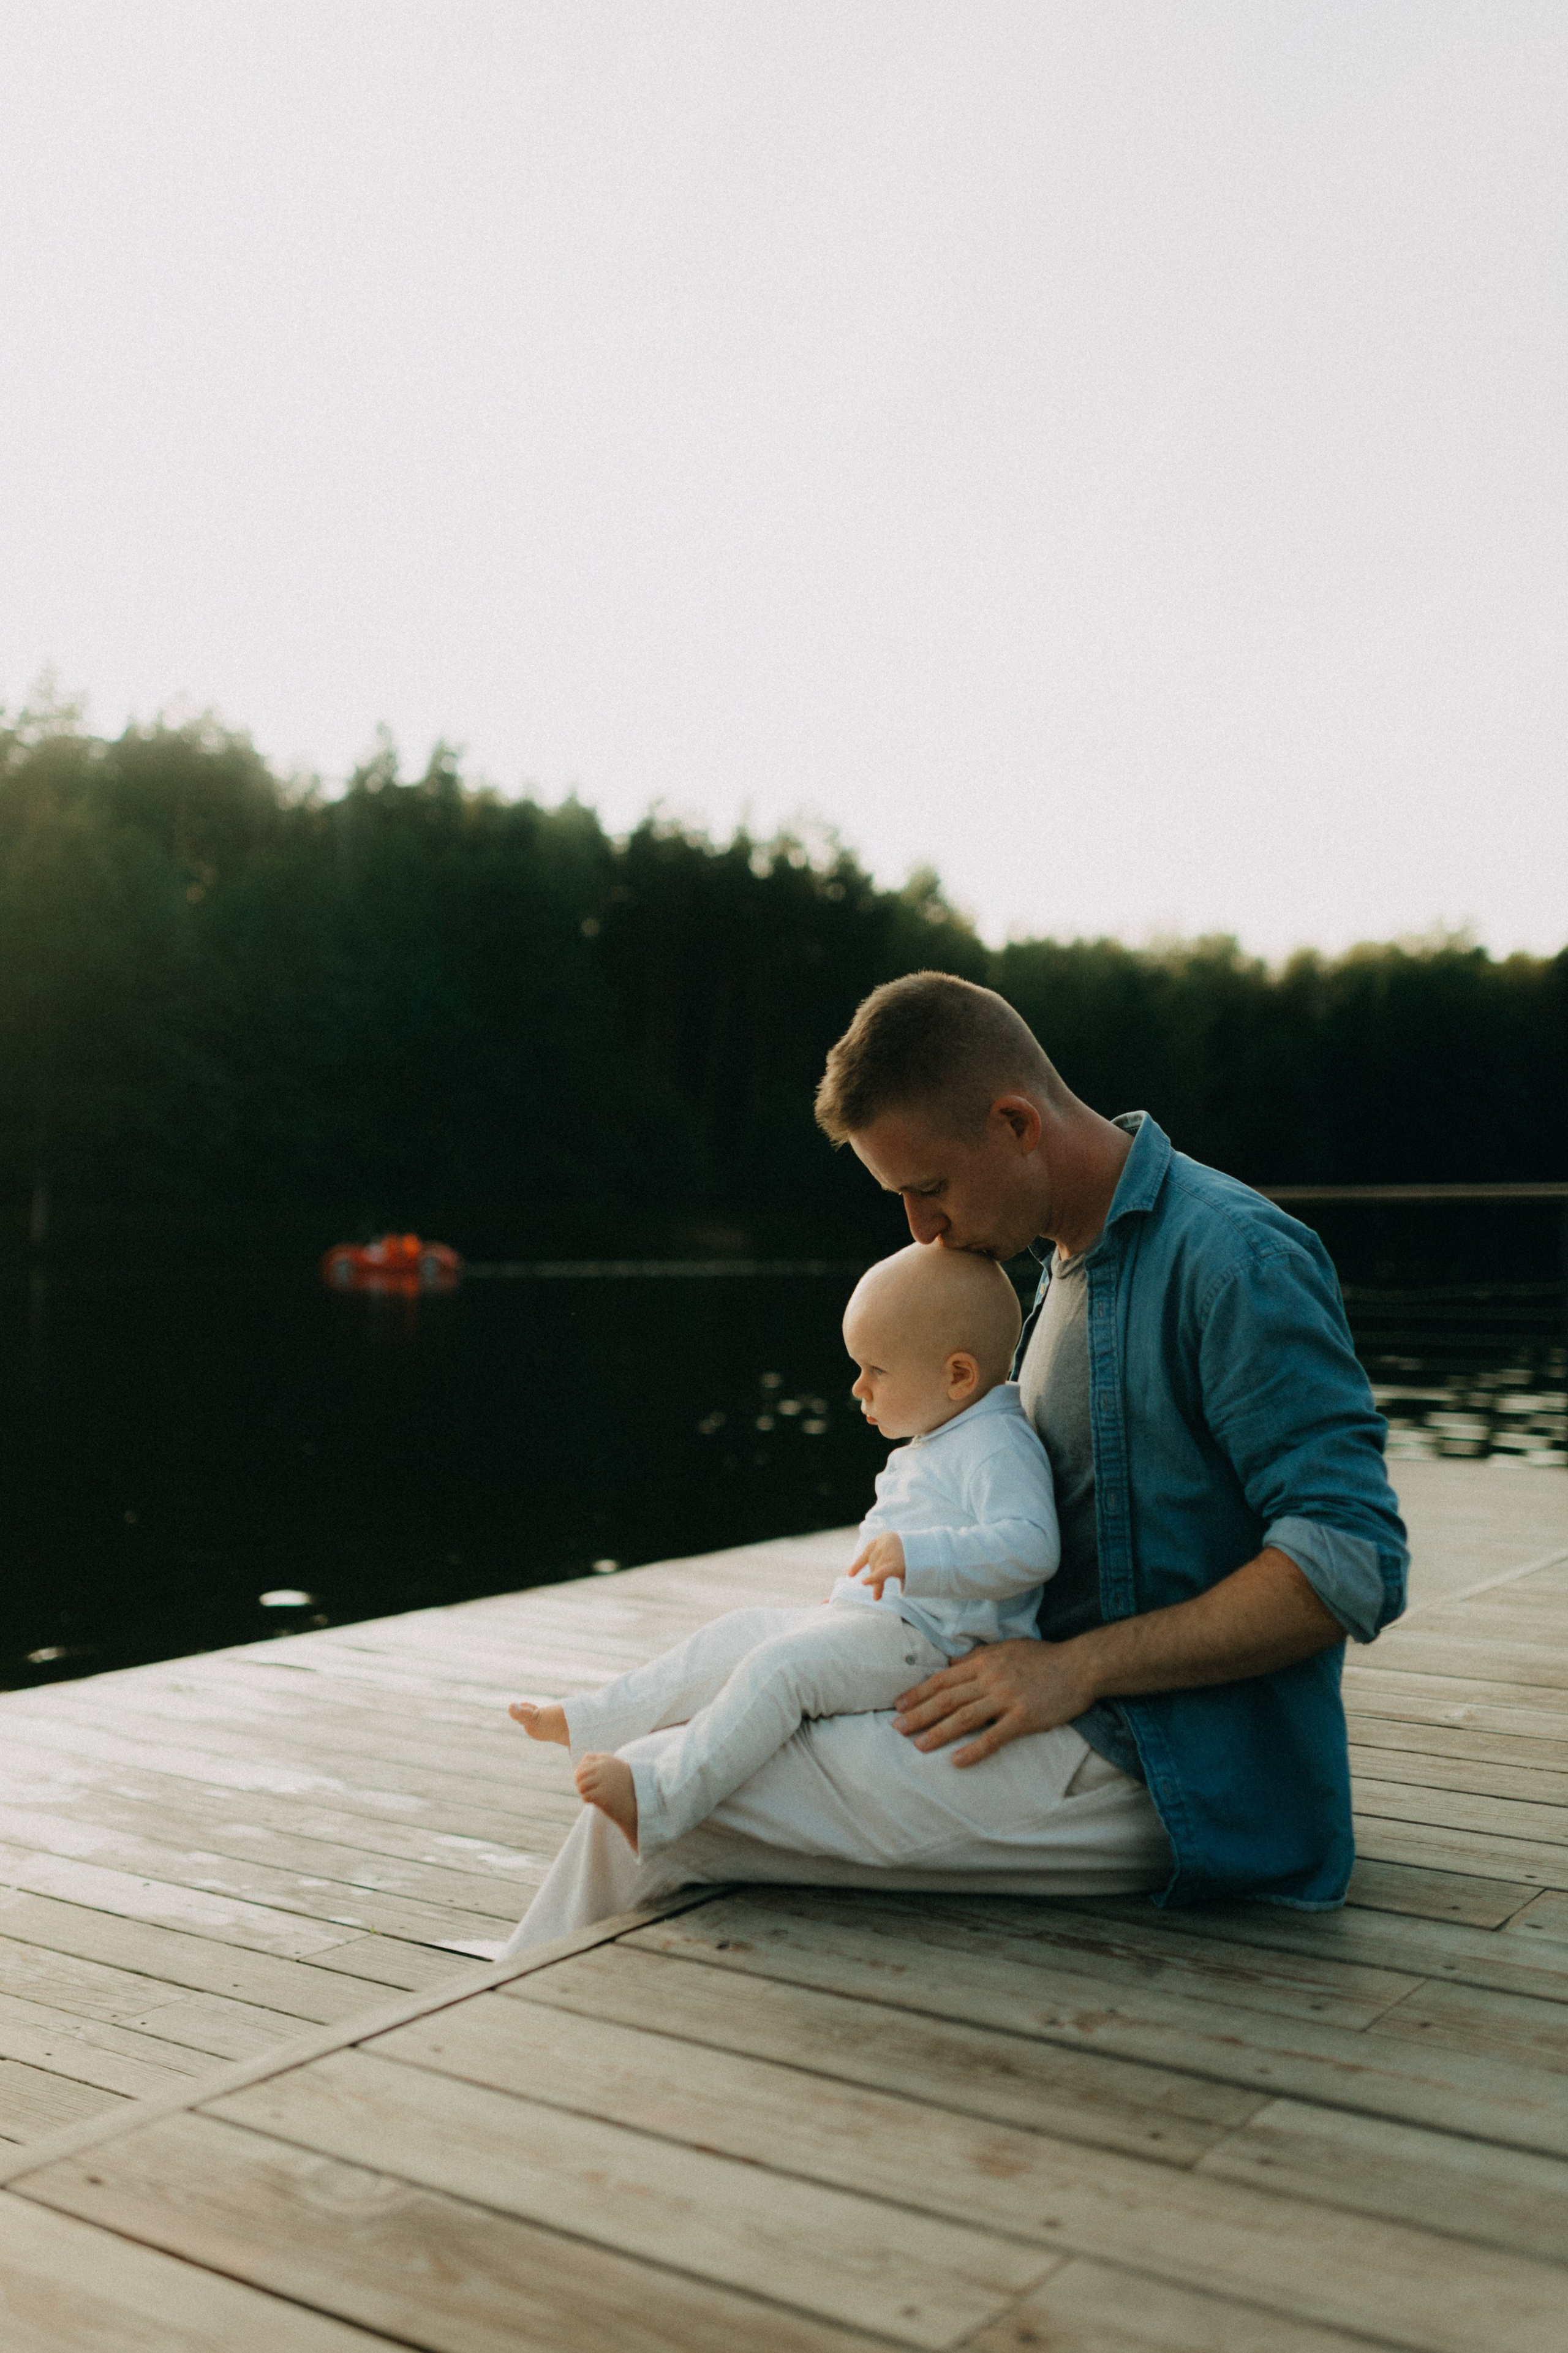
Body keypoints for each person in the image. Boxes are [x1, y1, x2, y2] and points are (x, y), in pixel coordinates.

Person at [500, 970, 1406, 1957]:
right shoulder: (1061, 1271)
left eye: (928, 1189)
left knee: (649, 1803)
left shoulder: (1236, 1260)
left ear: (1017, 1122)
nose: (922, 1231)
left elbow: (1348, 1559)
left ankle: (488, 2059)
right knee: (691, 1749)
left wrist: (1074, 1667)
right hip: (1034, 1709)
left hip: (1166, 1766)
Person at [508, 1242, 1058, 1859]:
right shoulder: (948, 1431)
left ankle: (662, 1797)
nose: (858, 1388)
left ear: (957, 1375)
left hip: (936, 1648)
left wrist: (918, 1554)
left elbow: (1033, 1546)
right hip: (887, 1622)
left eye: (875, 1370)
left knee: (784, 1669)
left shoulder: (996, 1444)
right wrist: (851, 1595)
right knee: (738, 1634)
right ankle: (592, 1721)